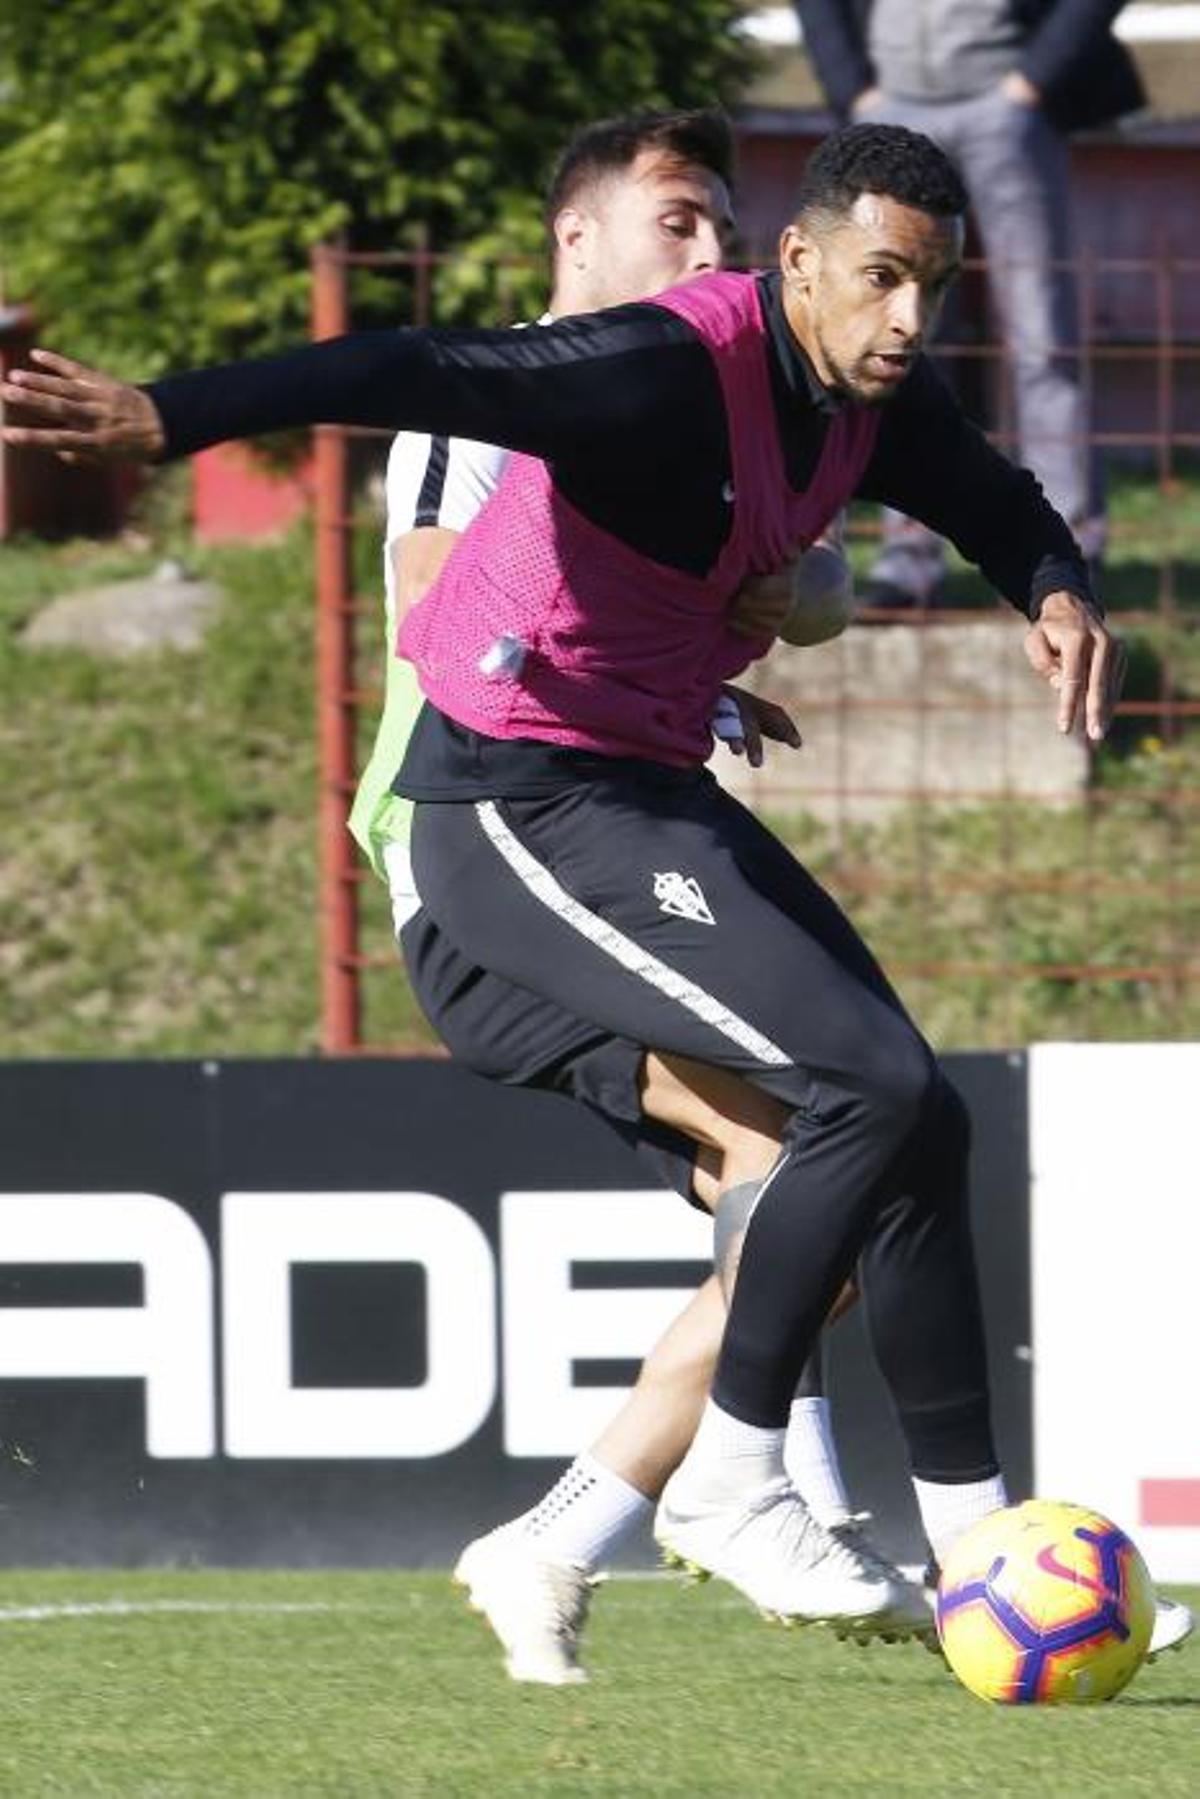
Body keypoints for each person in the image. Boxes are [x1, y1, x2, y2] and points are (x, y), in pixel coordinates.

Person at [0, 126, 1130, 1642]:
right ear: (798, 262)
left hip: (640, 791)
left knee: (917, 1113)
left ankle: (982, 1553)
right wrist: (166, 415)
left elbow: (993, 498)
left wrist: (1056, 588)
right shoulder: (656, 368)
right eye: (881, 279)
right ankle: (732, 1480)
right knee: (860, 1087)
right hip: (507, 801)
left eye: (932, 287)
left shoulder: (875, 392)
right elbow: (411, 367)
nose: (909, 319)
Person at [360, 110, 906, 1685]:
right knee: (815, 1149)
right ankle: (748, 1504)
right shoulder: (496, 402)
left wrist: (755, 629)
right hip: (481, 864)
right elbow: (430, 610)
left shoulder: (715, 407)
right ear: (576, 239)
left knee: (816, 1186)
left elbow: (816, 584)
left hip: (592, 835)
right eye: (678, 220)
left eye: (724, 222)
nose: (712, 250)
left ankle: (599, 1531)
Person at [795, 0, 1144, 606]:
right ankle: (909, 559)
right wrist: (853, 91)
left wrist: (1033, 79)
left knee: (1042, 334)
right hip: (892, 104)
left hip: (1006, 102)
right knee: (894, 335)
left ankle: (1067, 553)